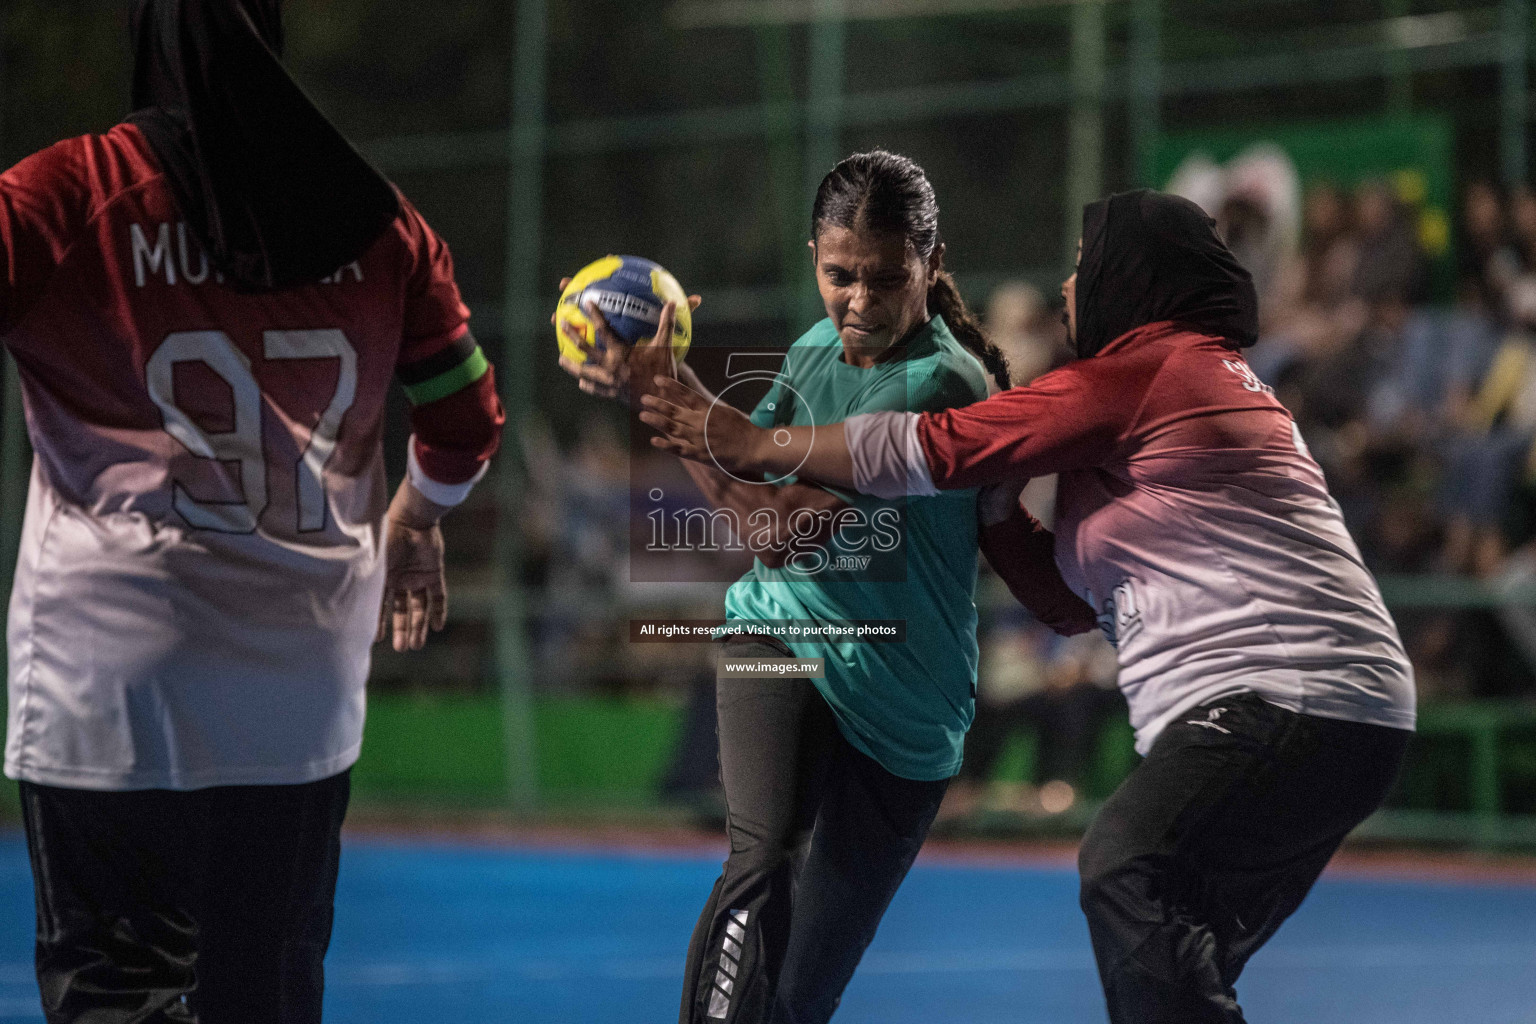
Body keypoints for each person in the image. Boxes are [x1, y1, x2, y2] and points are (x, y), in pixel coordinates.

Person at [638, 189, 1415, 1023]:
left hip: (1282, 695)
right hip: (1346, 715)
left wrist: (752, 439)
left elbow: (936, 444)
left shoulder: (1148, 370)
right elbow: (1069, 606)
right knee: (1173, 954)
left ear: (1131, 277)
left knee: (1125, 868)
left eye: (1084, 265)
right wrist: (1001, 512)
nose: (1069, 285)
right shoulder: (1176, 391)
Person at [0, 2, 504, 1021]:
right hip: (298, 683)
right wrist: (416, 519)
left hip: (112, 669)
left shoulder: (64, 195)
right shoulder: (379, 222)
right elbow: (464, 420)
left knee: (115, 991)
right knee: (263, 991)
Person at [560, 150, 1093, 1024]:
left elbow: (779, 520)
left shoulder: (939, 383)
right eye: (838, 275)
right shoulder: (813, 347)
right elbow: (753, 521)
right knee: (760, 860)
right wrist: (669, 397)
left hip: (903, 704)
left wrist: (676, 400)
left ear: (932, 264)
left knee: (801, 996)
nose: (857, 301)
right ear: (814, 255)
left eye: (885, 280)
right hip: (778, 644)